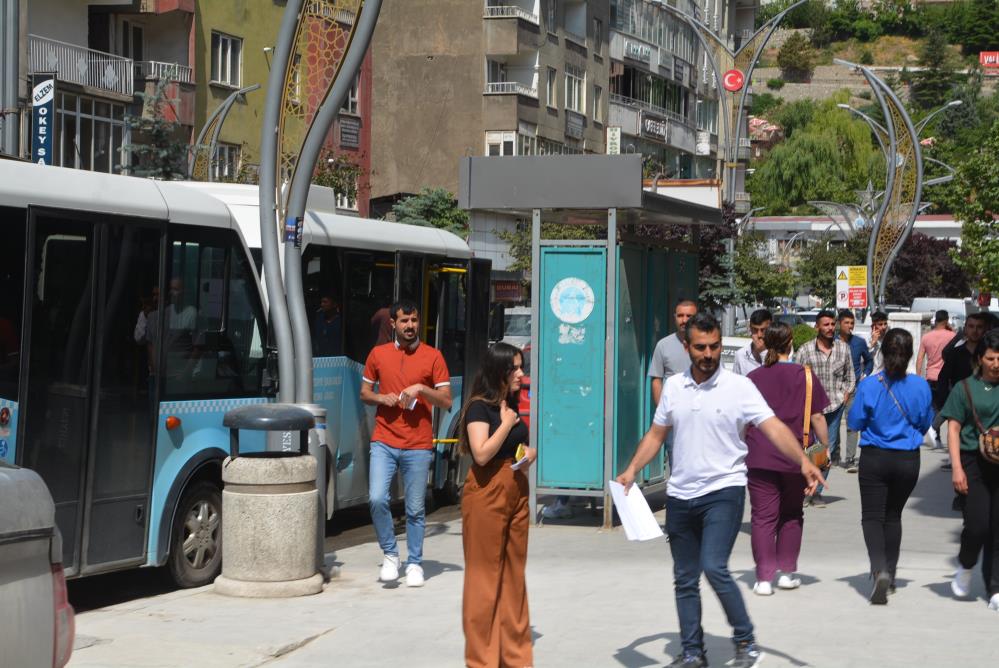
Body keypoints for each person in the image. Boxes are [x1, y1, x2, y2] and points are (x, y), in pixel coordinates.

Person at [617, 313, 826, 668]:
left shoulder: (739, 387)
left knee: (714, 566)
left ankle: (746, 641)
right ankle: (692, 652)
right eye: (700, 347)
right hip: (680, 495)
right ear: (687, 347)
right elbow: (656, 434)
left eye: (714, 346)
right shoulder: (674, 388)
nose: (709, 354)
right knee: (684, 578)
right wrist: (632, 469)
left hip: (723, 492)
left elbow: (773, 427)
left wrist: (802, 461)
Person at [360, 300, 452, 588]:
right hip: (384, 439)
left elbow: (447, 402)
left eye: (414, 320)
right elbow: (364, 392)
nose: (410, 326)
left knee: (414, 508)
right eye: (404, 321)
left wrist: (422, 389)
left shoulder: (433, 356)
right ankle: (390, 554)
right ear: (393, 324)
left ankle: (414, 562)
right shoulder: (378, 354)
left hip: (418, 444)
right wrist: (380, 398)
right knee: (376, 498)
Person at [459, 342, 536, 668]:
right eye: (514, 368)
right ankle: (482, 660)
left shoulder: (511, 405)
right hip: (487, 493)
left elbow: (512, 448)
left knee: (514, 578)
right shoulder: (480, 408)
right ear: (498, 372)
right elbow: (481, 453)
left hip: (515, 490)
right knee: (484, 580)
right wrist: (505, 423)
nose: (521, 374)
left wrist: (528, 455)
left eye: (521, 367)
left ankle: (516, 659)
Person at [847, 328, 933, 604]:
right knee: (893, 516)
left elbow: (855, 422)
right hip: (907, 460)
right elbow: (924, 423)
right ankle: (892, 575)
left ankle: (879, 569)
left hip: (875, 457)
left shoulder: (870, 385)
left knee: (872, 517)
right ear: (909, 355)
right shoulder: (920, 386)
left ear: (882, 353)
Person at [745, 322, 830, 596]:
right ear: (790, 341)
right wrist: (825, 449)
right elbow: (817, 416)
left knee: (762, 517)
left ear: (765, 342)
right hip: (797, 456)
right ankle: (786, 572)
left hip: (759, 454)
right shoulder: (804, 375)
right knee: (792, 514)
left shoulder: (753, 377)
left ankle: (763, 578)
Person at [940, 329, 999, 612]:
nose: (996, 363)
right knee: (977, 525)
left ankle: (995, 587)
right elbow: (952, 428)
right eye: (991, 358)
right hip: (973, 462)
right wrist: (957, 469)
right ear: (980, 359)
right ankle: (965, 565)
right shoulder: (965, 388)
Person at [795, 310, 856, 506]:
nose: (830, 328)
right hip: (809, 410)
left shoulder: (843, 348)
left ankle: (816, 492)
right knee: (807, 448)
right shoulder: (805, 350)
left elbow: (850, 376)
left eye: (832, 324)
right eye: (825, 325)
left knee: (825, 449)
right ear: (817, 327)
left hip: (834, 406)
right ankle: (805, 488)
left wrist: (846, 393)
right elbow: (795, 377)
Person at [647, 298, 698, 473]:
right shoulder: (663, 345)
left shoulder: (704, 345)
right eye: (680, 316)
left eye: (689, 316)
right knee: (676, 460)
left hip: (700, 413)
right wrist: (664, 410)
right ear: (674, 317)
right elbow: (656, 380)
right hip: (674, 415)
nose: (684, 320)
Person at [938, 313, 991, 470]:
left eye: (979, 327)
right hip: (962, 405)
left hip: (986, 405)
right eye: (971, 326)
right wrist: (943, 403)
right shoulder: (956, 354)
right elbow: (943, 379)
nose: (975, 331)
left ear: (985, 329)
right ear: (965, 329)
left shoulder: (990, 355)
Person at [839, 309, 873, 473]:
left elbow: (869, 361)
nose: (850, 326)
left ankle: (850, 458)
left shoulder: (859, 342)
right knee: (832, 425)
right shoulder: (830, 341)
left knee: (852, 424)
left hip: (853, 389)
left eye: (852, 323)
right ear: (839, 323)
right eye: (846, 322)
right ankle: (834, 455)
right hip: (833, 389)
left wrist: (865, 375)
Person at [916, 310, 956, 450]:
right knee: (948, 408)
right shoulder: (952, 336)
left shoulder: (926, 337)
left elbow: (920, 358)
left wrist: (918, 376)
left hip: (930, 376)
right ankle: (935, 430)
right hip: (947, 378)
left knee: (933, 407)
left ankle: (935, 435)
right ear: (946, 321)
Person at [733, 309, 771, 376]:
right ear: (750, 328)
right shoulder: (740, 355)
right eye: (755, 330)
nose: (759, 335)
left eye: (763, 330)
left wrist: (763, 352)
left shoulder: (779, 352)